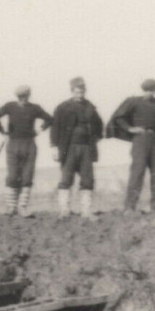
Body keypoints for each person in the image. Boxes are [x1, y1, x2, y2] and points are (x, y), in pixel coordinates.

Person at [107, 79, 155, 213]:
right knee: (137, 172)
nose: (150, 93)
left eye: (152, 90)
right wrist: (130, 129)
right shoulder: (133, 101)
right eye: (148, 90)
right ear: (143, 90)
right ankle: (130, 207)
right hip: (140, 140)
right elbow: (118, 117)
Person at [50, 77, 103, 219]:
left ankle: (86, 211)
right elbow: (55, 128)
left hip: (86, 148)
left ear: (85, 91)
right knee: (66, 178)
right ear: (72, 91)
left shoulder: (90, 107)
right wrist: (54, 146)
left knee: (87, 179)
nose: (80, 95)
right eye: (77, 92)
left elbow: (99, 125)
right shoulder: (63, 107)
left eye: (82, 92)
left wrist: (95, 138)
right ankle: (64, 210)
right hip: (68, 148)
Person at [0, 85, 52, 216]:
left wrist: (40, 129)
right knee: (12, 175)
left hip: (29, 144)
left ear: (29, 96)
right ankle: (11, 207)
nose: (23, 99)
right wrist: (2, 131)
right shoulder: (9, 106)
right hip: (13, 143)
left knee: (27, 176)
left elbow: (50, 119)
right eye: (20, 97)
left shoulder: (34, 108)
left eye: (25, 97)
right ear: (17, 97)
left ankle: (22, 207)